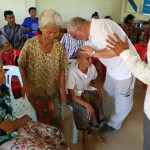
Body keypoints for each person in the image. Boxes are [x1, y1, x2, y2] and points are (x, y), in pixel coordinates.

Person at [67, 17, 138, 135]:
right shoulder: (89, 36)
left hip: (125, 69)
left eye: (74, 36)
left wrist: (94, 53)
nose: (75, 39)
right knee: (108, 93)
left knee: (122, 99)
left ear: (79, 29)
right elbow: (85, 54)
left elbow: (118, 50)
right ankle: (104, 117)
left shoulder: (101, 27)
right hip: (113, 69)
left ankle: (114, 124)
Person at [0, 60, 69, 150]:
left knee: (56, 133)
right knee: (45, 148)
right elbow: (9, 127)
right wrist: (25, 117)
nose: (5, 72)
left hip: (14, 124)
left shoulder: (3, 88)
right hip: (5, 138)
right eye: (0, 70)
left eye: (2, 68)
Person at [18, 9, 68, 127]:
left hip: (53, 91)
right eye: (49, 32)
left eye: (56, 32)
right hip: (35, 91)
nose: (52, 36)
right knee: (39, 122)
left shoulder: (59, 47)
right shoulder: (30, 44)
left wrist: (63, 92)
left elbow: (62, 69)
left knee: (56, 121)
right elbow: (21, 65)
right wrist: (25, 84)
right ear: (41, 28)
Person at [106, 33, 150, 150]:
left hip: (125, 75)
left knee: (123, 101)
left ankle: (114, 124)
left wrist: (125, 54)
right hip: (118, 72)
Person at [66, 48, 106, 150]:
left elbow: (94, 81)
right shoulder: (72, 72)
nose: (90, 61)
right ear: (78, 59)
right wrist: (87, 105)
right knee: (84, 109)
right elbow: (71, 96)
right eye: (87, 58)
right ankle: (85, 137)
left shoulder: (91, 67)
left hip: (84, 90)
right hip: (73, 95)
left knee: (96, 101)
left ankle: (96, 131)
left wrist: (99, 92)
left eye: (91, 58)